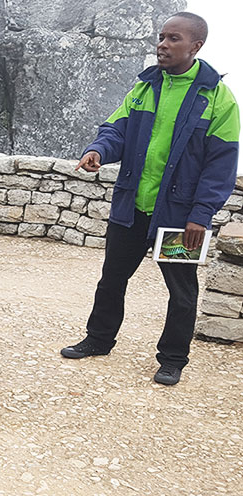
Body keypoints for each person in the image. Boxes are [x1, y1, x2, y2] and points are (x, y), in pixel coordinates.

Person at [60, 12, 239, 386]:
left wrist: (200, 215)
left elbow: (220, 165)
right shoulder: (144, 87)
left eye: (174, 39)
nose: (163, 45)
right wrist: (98, 150)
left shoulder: (217, 99)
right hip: (131, 209)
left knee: (181, 291)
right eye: (161, 37)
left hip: (179, 218)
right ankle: (98, 340)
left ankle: (172, 360)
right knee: (112, 279)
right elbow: (116, 130)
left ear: (196, 46)